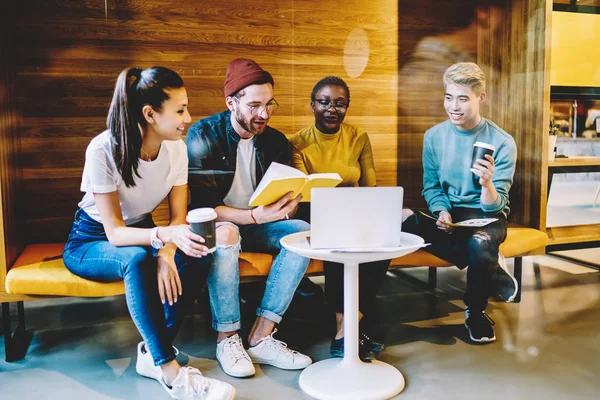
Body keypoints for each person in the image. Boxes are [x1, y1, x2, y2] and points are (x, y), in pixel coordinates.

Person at [62, 66, 236, 400]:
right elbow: (114, 234)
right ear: (150, 114)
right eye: (180, 110)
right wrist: (161, 240)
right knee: (135, 256)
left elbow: (178, 217)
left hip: (144, 231)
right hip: (90, 239)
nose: (188, 117)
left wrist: (168, 254)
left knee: (199, 250)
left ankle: (152, 352)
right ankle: (171, 372)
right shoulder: (103, 150)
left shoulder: (177, 148)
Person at [186, 58, 312, 378]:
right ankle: (227, 338)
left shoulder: (275, 140)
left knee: (302, 232)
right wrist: (255, 216)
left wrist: (289, 204)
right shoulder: (204, 135)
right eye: (255, 105)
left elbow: (286, 192)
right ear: (231, 102)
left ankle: (260, 337)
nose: (264, 114)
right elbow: (204, 208)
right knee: (227, 233)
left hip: (260, 222)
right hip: (222, 225)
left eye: (270, 104)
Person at [403, 62, 518, 343]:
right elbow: (431, 187)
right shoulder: (434, 137)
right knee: (405, 217)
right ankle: (490, 266)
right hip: (452, 214)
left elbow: (495, 206)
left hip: (485, 216)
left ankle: (475, 311)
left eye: (463, 98)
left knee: (479, 240)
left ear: (481, 98)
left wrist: (486, 183)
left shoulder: (502, 142)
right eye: (448, 97)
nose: (454, 106)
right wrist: (441, 211)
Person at [289, 76, 389, 360]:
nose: (332, 109)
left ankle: (350, 321)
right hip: (314, 212)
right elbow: (301, 191)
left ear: (347, 107)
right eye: (324, 102)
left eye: (339, 103)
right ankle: (345, 328)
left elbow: (370, 186)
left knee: (383, 239)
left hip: (353, 208)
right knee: (338, 239)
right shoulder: (297, 142)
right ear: (312, 106)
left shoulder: (358, 137)